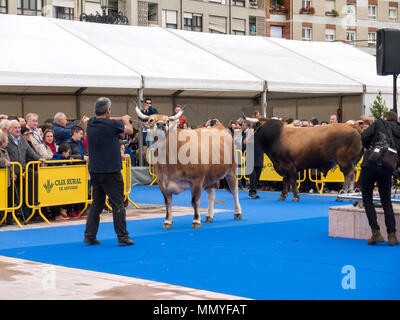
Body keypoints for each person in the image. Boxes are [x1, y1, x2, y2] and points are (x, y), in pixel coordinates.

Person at [84, 97, 134, 246]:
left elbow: (107, 119)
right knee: (118, 204)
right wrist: (125, 120)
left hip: (95, 169)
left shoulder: (91, 123)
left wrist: (118, 118)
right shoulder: (113, 125)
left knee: (97, 204)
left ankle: (90, 235)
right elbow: (129, 131)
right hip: (111, 170)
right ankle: (123, 237)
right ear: (107, 111)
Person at [360, 111, 399, 246]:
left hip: (370, 164)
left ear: (385, 117)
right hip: (388, 167)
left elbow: (363, 137)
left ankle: (376, 232)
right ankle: (392, 235)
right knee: (386, 201)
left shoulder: (379, 123)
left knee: (367, 199)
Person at [6, 120, 46, 219]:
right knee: (13, 194)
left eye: (19, 127)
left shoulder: (22, 139)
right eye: (15, 128)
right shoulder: (5, 139)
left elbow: (30, 151)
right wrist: (10, 171)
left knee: (35, 175)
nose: (18, 130)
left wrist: (38, 158)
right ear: (9, 129)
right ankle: (10, 217)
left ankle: (33, 200)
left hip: (23, 168)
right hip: (11, 171)